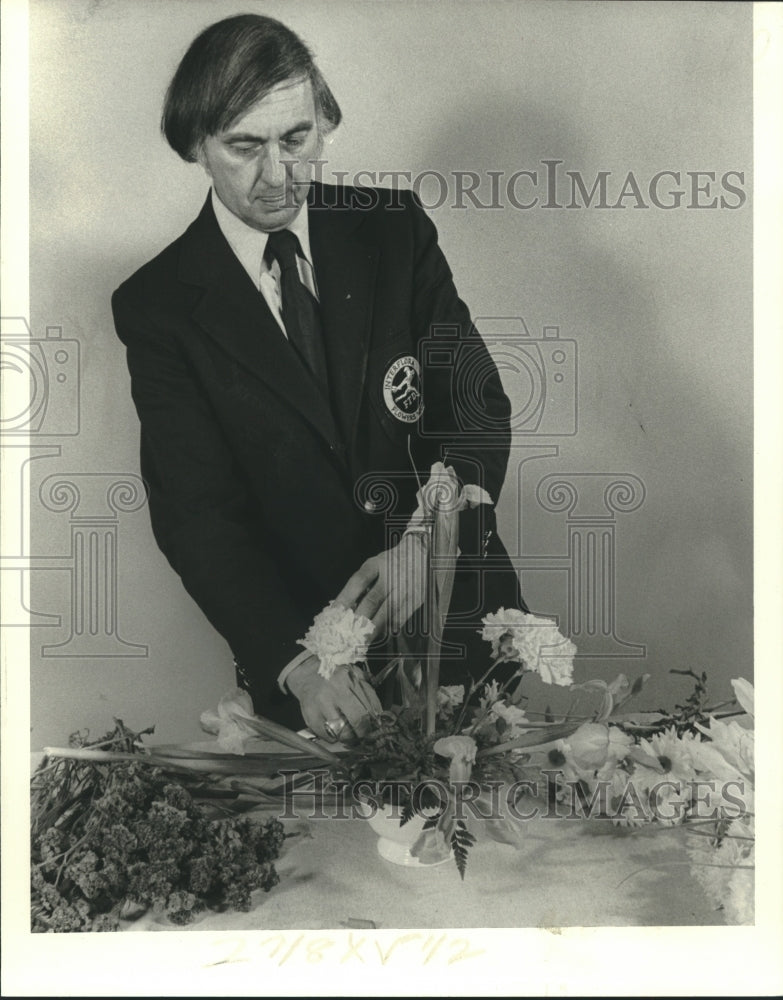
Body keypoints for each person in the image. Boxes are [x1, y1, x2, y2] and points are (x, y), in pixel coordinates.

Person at [112, 13, 527, 742]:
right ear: (195, 146)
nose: (279, 176)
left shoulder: (392, 228)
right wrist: (298, 666)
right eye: (244, 146)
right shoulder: (157, 306)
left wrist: (430, 538)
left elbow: (475, 403)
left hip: (459, 624)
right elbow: (198, 514)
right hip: (313, 666)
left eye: (296, 139)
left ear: (325, 123)